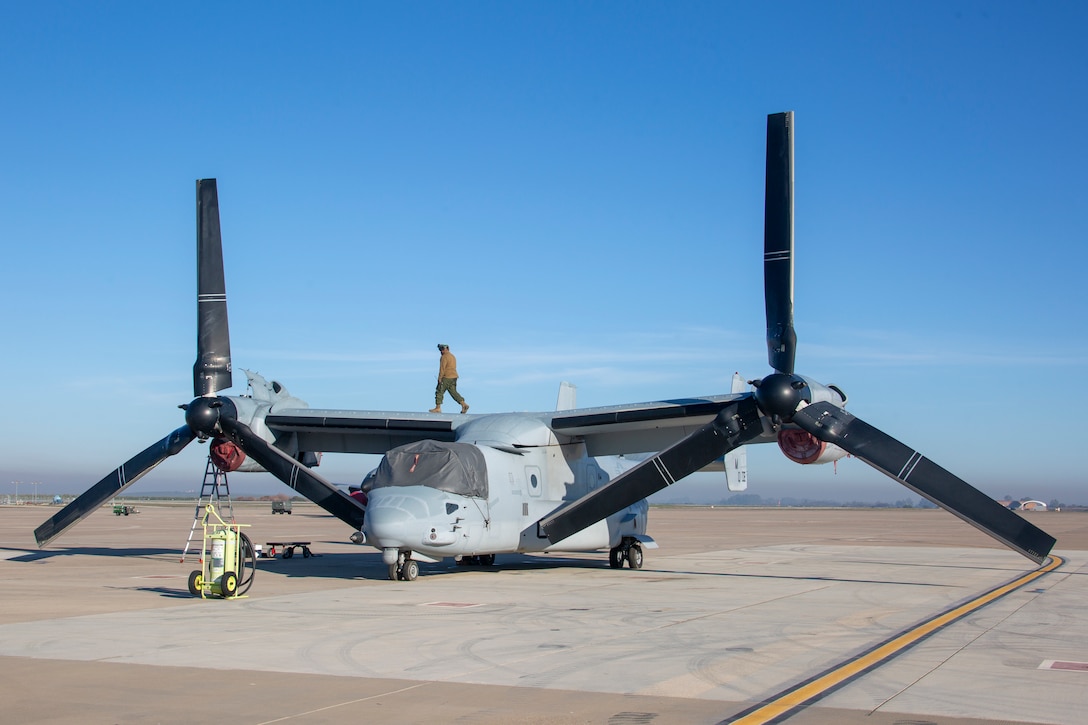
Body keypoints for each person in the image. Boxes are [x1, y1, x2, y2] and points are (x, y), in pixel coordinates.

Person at [430, 343, 469, 414]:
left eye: (441, 349)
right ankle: (463, 404)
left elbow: (442, 368)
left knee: (439, 391)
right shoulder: (452, 356)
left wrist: (440, 378)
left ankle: (438, 408)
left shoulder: (444, 357)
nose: (440, 351)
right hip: (454, 377)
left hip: (446, 377)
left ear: (445, 349)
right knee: (453, 392)